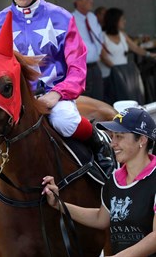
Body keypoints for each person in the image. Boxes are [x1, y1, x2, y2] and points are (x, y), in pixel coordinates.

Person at [0, 0, 113, 170]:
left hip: (54, 97)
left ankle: (100, 143)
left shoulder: (62, 17)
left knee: (65, 121)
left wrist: (57, 94)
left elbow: (78, 69)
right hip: (14, 101)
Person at [42, 107, 156, 257]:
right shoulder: (114, 181)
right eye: (113, 136)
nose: (112, 143)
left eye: (120, 136)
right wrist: (59, 204)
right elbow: (100, 218)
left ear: (142, 140)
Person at [99, 8, 156, 104]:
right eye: (122, 19)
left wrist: (150, 54)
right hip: (109, 78)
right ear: (115, 21)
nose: (124, 21)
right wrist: (117, 70)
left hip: (124, 77)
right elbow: (104, 57)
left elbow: (135, 48)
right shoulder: (101, 36)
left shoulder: (122, 35)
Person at [72, 0, 104, 101]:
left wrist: (99, 53)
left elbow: (99, 36)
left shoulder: (92, 17)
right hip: (82, 68)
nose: (92, 1)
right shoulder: (71, 19)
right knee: (87, 100)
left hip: (95, 66)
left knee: (99, 98)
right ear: (78, 2)